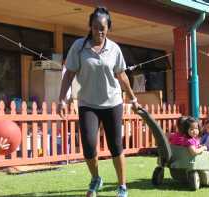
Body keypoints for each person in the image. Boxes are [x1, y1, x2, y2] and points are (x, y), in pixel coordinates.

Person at [58, 7, 139, 197]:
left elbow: (122, 75)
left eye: (102, 28)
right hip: (87, 103)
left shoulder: (114, 49)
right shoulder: (79, 46)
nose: (99, 32)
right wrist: (62, 99)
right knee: (88, 144)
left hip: (112, 102)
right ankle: (96, 178)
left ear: (108, 28)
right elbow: (69, 74)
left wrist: (133, 99)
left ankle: (122, 186)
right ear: (90, 27)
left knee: (115, 146)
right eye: (95, 28)